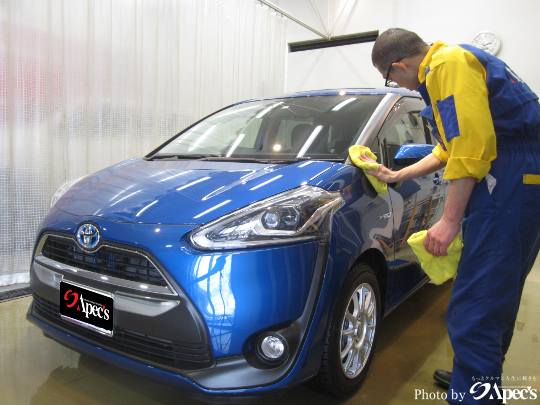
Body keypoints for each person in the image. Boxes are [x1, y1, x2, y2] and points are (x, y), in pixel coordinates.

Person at [364, 28, 540, 405]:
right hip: (516, 176)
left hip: (506, 179)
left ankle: (473, 392)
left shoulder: (445, 65)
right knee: (496, 297)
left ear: (399, 65)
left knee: (476, 305)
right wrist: (397, 175)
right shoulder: (458, 62)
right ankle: (477, 377)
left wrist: (448, 219)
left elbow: (472, 148)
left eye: (390, 77)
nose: (396, 83)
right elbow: (449, 147)